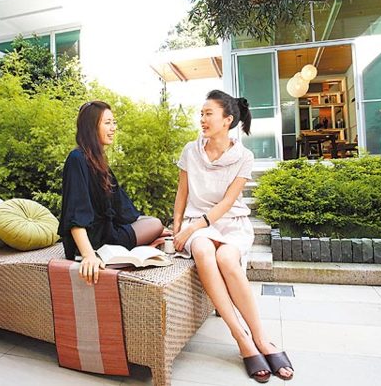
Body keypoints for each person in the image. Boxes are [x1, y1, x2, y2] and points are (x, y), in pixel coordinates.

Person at [172, 90, 294, 383]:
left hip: (230, 222)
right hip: (196, 223)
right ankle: (241, 338)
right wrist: (178, 228)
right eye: (201, 114)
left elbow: (227, 202)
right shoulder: (190, 150)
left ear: (227, 120)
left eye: (208, 114)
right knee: (203, 250)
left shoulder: (244, 156)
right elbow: (182, 193)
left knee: (227, 257)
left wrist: (194, 226)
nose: (202, 119)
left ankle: (261, 338)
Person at [58, 100, 164, 285]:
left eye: (114, 122)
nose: (113, 128)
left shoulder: (98, 161)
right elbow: (76, 211)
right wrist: (88, 255)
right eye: (107, 123)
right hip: (93, 240)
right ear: (91, 126)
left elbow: (121, 206)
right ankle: (96, 252)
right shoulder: (77, 159)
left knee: (152, 223)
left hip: (106, 231)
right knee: (155, 224)